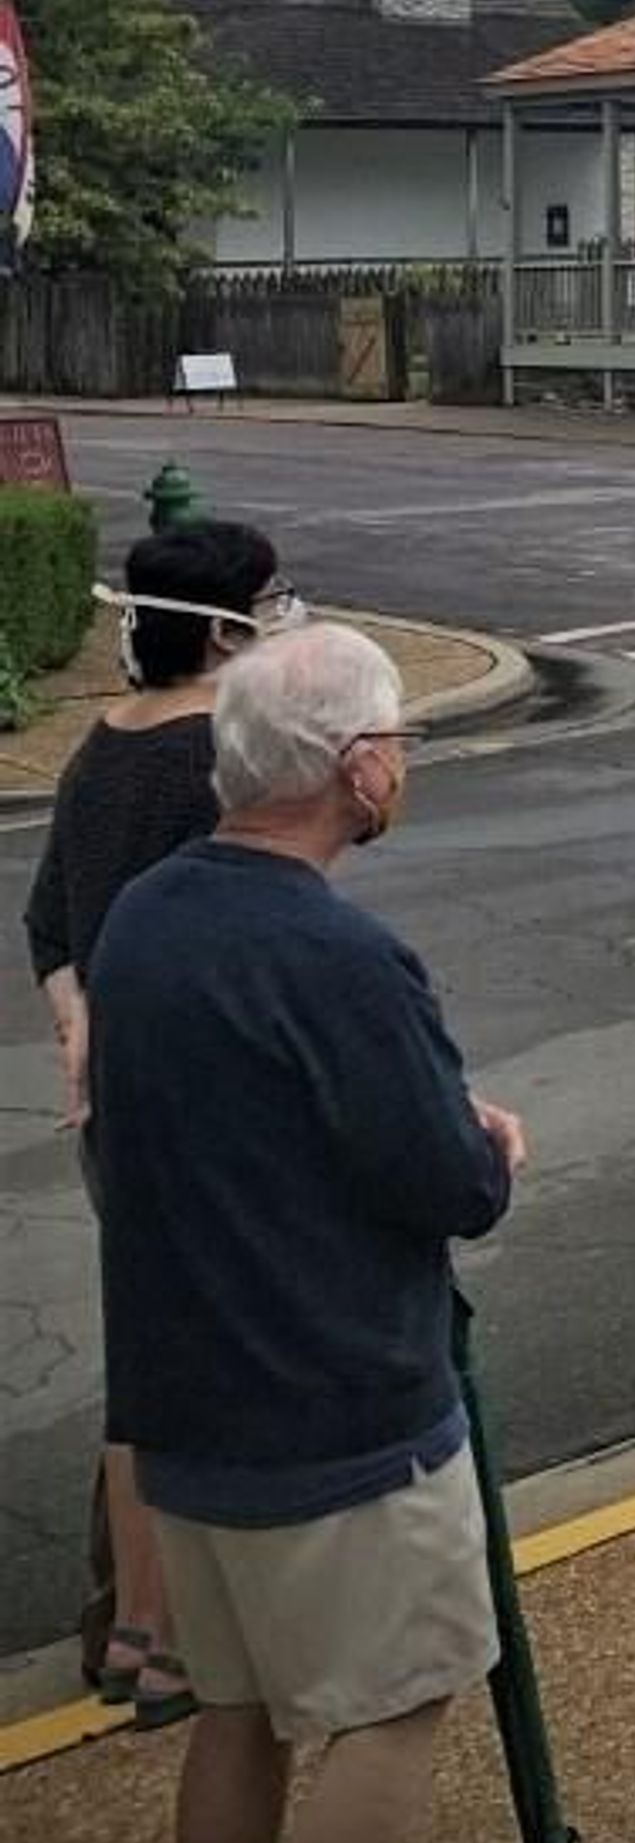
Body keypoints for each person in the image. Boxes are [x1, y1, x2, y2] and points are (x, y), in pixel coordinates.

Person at [86, 622, 520, 1843]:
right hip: (336, 1411)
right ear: (359, 767)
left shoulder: (145, 920)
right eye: (398, 745)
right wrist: (489, 1145)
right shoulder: (341, 958)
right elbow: (445, 1183)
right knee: (394, 1709)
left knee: (241, 1712)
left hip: (185, 1402)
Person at [27, 517, 294, 1724]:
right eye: (274, 603)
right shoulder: (221, 759)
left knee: (147, 1361)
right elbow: (249, 931)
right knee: (211, 1372)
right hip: (212, 1105)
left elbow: (46, 923)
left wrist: (77, 1021)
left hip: (115, 1107)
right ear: (231, 625)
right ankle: (177, 1634)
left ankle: (127, 1629)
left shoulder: (97, 747)